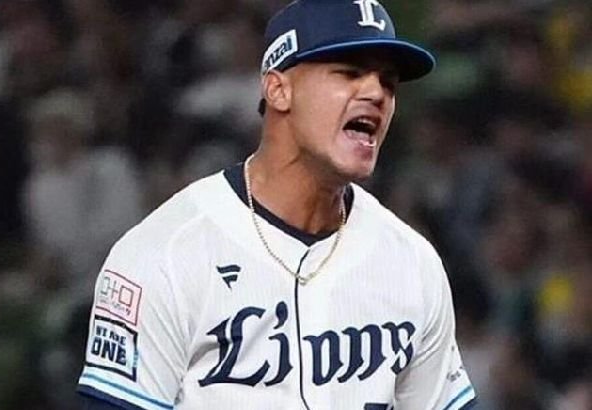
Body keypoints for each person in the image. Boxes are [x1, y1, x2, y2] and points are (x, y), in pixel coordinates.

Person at [77, 1, 476, 409]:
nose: (377, 93)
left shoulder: (412, 262)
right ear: (278, 89)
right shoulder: (165, 254)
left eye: (388, 82)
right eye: (349, 72)